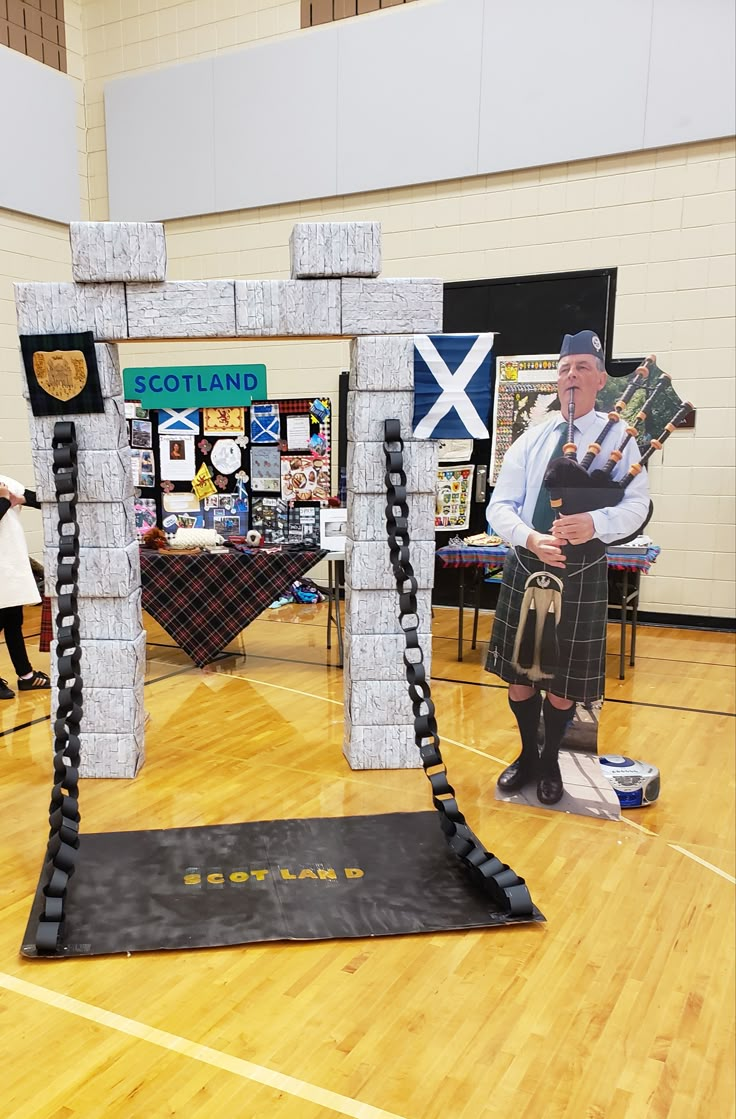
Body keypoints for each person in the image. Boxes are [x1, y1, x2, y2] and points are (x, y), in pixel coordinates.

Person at [486, 330, 650, 804]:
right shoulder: (532, 439)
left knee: (563, 683)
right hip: (529, 564)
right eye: (564, 368)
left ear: (600, 378)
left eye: (582, 367)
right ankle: (527, 755)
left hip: (582, 571)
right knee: (520, 676)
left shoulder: (620, 438)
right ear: (556, 381)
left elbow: (638, 506)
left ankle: (552, 757)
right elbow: (501, 507)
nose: (572, 376)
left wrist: (595, 523)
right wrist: (531, 537)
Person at [0, 475, 51, 699]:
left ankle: (26, 675)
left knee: (14, 622)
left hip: (10, 568)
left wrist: (19, 499)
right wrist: (4, 501)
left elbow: (39, 500)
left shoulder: (3, 481)